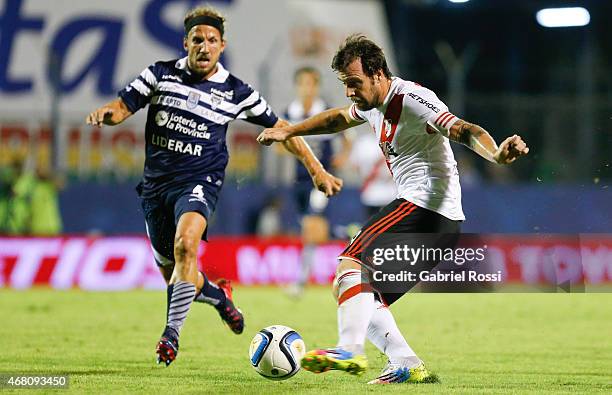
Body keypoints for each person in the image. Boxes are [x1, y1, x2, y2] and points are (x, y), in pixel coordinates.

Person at [257, 34, 529, 384]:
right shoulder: (372, 105)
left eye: (354, 83)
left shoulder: (413, 99)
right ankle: (405, 363)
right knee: (355, 291)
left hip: (424, 208)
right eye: (344, 84)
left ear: (378, 74)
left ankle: (350, 349)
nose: (349, 92)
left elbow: (462, 129)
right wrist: (291, 131)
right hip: (441, 225)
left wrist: (495, 154)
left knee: (350, 264)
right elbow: (337, 119)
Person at [86, 6, 342, 367]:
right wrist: (106, 115)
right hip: (155, 188)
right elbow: (121, 107)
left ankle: (170, 336)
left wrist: (316, 170)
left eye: (211, 40)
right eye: (197, 40)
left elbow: (283, 128)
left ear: (222, 46)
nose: (204, 47)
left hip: (199, 182)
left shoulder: (236, 91)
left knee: (185, 246)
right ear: (185, 43)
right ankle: (220, 297)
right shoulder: (159, 74)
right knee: (178, 275)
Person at [284, 67, 350, 297]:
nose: (306, 88)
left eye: (310, 84)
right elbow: (283, 142)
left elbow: (347, 138)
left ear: (317, 86)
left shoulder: (326, 111)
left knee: (311, 228)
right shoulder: (290, 112)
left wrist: (341, 158)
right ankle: (349, 234)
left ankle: (300, 283)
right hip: (299, 180)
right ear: (297, 86)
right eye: (302, 84)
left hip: (322, 180)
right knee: (314, 230)